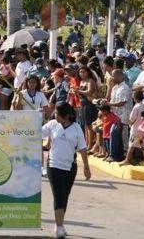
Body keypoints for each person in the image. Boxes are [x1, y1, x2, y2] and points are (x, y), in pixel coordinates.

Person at [42, 102, 91, 239]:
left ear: (65, 116)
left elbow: (82, 148)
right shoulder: (52, 125)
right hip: (53, 165)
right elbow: (36, 132)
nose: (55, 115)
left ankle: (60, 223)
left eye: (57, 113)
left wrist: (86, 167)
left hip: (70, 167)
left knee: (65, 196)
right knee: (58, 195)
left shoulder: (76, 128)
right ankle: (59, 227)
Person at [72, 66, 99, 150]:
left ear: (88, 72)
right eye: (80, 72)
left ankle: (90, 145)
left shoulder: (90, 81)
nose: (81, 74)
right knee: (86, 126)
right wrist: (75, 92)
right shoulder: (82, 81)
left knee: (90, 126)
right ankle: (87, 144)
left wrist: (78, 91)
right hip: (83, 105)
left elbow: (89, 92)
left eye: (83, 72)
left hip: (90, 105)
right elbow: (80, 95)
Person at [120, 91, 144, 166]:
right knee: (142, 144)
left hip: (135, 129)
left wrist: (129, 123)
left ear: (135, 98)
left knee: (131, 145)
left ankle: (127, 160)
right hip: (142, 129)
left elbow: (132, 119)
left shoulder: (136, 107)